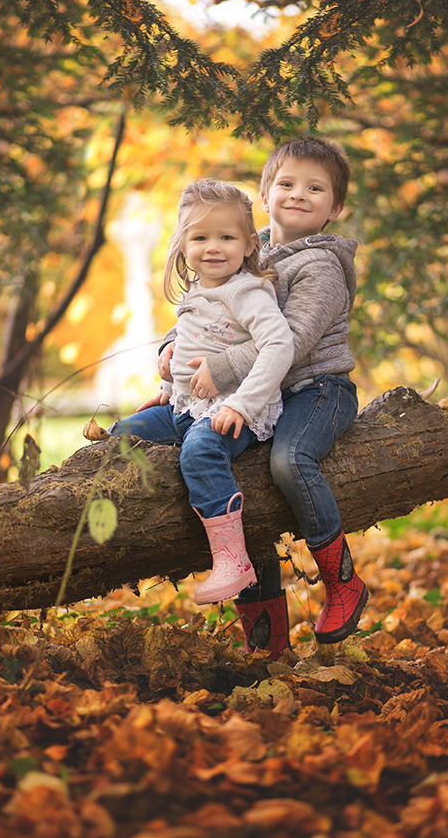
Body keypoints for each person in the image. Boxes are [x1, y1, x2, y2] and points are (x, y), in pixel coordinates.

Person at [159, 137, 369, 659]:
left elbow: (292, 346)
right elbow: (206, 312)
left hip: (316, 391)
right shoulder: (244, 247)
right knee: (239, 482)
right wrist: (172, 350)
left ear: (336, 207)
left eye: (315, 188)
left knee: (287, 461)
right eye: (287, 184)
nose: (298, 195)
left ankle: (342, 581)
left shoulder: (319, 267)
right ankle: (267, 633)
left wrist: (221, 368)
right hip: (255, 396)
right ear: (264, 192)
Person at [108, 179, 294, 607]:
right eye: (200, 237)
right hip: (185, 406)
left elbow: (279, 344)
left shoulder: (246, 291)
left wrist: (242, 406)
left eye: (226, 237)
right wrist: (166, 387)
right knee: (125, 433)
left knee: (200, 452)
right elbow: (193, 347)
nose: (213, 247)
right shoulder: (197, 289)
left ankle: (233, 560)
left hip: (235, 411)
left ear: (249, 245)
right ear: (183, 244)